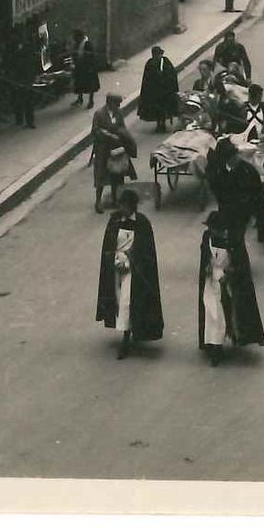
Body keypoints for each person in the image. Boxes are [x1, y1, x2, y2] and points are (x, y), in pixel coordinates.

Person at [95, 188, 164, 359]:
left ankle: (125, 339)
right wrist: (114, 261)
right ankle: (128, 328)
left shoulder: (142, 223)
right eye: (121, 205)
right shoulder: (114, 220)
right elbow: (109, 245)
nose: (122, 209)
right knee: (119, 302)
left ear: (132, 207)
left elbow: (146, 251)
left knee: (127, 301)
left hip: (134, 270)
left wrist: (131, 261)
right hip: (116, 267)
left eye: (125, 206)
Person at [198, 210, 264, 366]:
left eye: (215, 228)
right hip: (211, 281)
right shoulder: (207, 237)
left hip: (228, 283)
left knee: (223, 314)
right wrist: (208, 268)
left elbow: (240, 265)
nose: (212, 231)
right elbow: (205, 257)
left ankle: (221, 342)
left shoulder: (234, 242)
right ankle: (214, 346)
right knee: (212, 313)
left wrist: (229, 275)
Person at [205, 136, 264, 239]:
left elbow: (257, 193)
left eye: (236, 156)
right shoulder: (216, 170)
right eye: (233, 157)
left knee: (237, 238)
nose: (237, 158)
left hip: (243, 206)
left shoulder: (248, 170)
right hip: (225, 204)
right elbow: (214, 187)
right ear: (225, 159)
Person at [91, 92, 137, 213]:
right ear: (109, 103)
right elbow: (96, 131)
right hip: (102, 149)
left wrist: (125, 139)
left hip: (116, 148)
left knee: (117, 174)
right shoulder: (99, 114)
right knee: (100, 174)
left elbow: (122, 127)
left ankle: (115, 198)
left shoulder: (118, 113)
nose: (118, 106)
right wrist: (110, 135)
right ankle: (98, 201)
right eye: (116, 104)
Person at [137, 45, 179, 134]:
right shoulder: (150, 63)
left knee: (164, 108)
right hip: (155, 92)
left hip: (165, 91)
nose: (158, 57)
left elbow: (172, 74)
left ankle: (163, 123)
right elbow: (146, 78)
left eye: (159, 54)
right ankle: (158, 123)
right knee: (156, 109)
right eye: (156, 55)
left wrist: (169, 84)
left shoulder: (166, 62)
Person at [71, 30, 101, 109]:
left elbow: (92, 57)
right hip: (80, 67)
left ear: (79, 37)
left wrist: (91, 67)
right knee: (79, 84)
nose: (74, 39)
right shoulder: (77, 44)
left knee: (90, 85)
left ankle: (91, 101)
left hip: (88, 68)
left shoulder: (87, 44)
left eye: (75, 37)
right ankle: (80, 99)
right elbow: (75, 54)